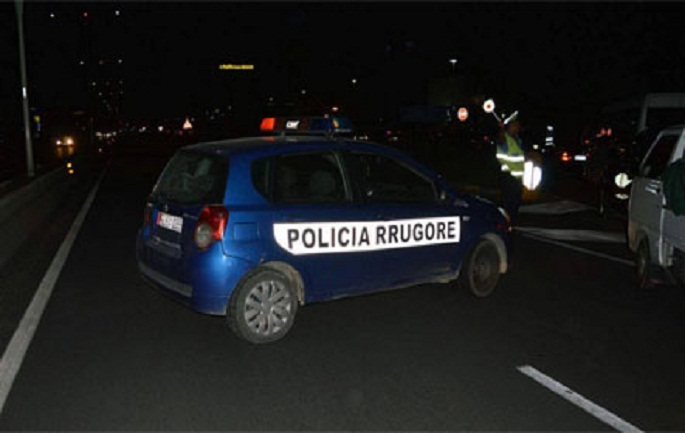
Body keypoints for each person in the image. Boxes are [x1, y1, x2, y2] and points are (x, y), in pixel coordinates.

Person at [494, 113, 525, 223]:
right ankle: (506, 226)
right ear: (510, 126)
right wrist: (501, 128)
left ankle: (511, 224)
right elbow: (501, 138)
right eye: (515, 125)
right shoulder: (505, 139)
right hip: (508, 178)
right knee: (508, 206)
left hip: (517, 179)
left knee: (514, 206)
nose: (518, 127)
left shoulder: (516, 140)